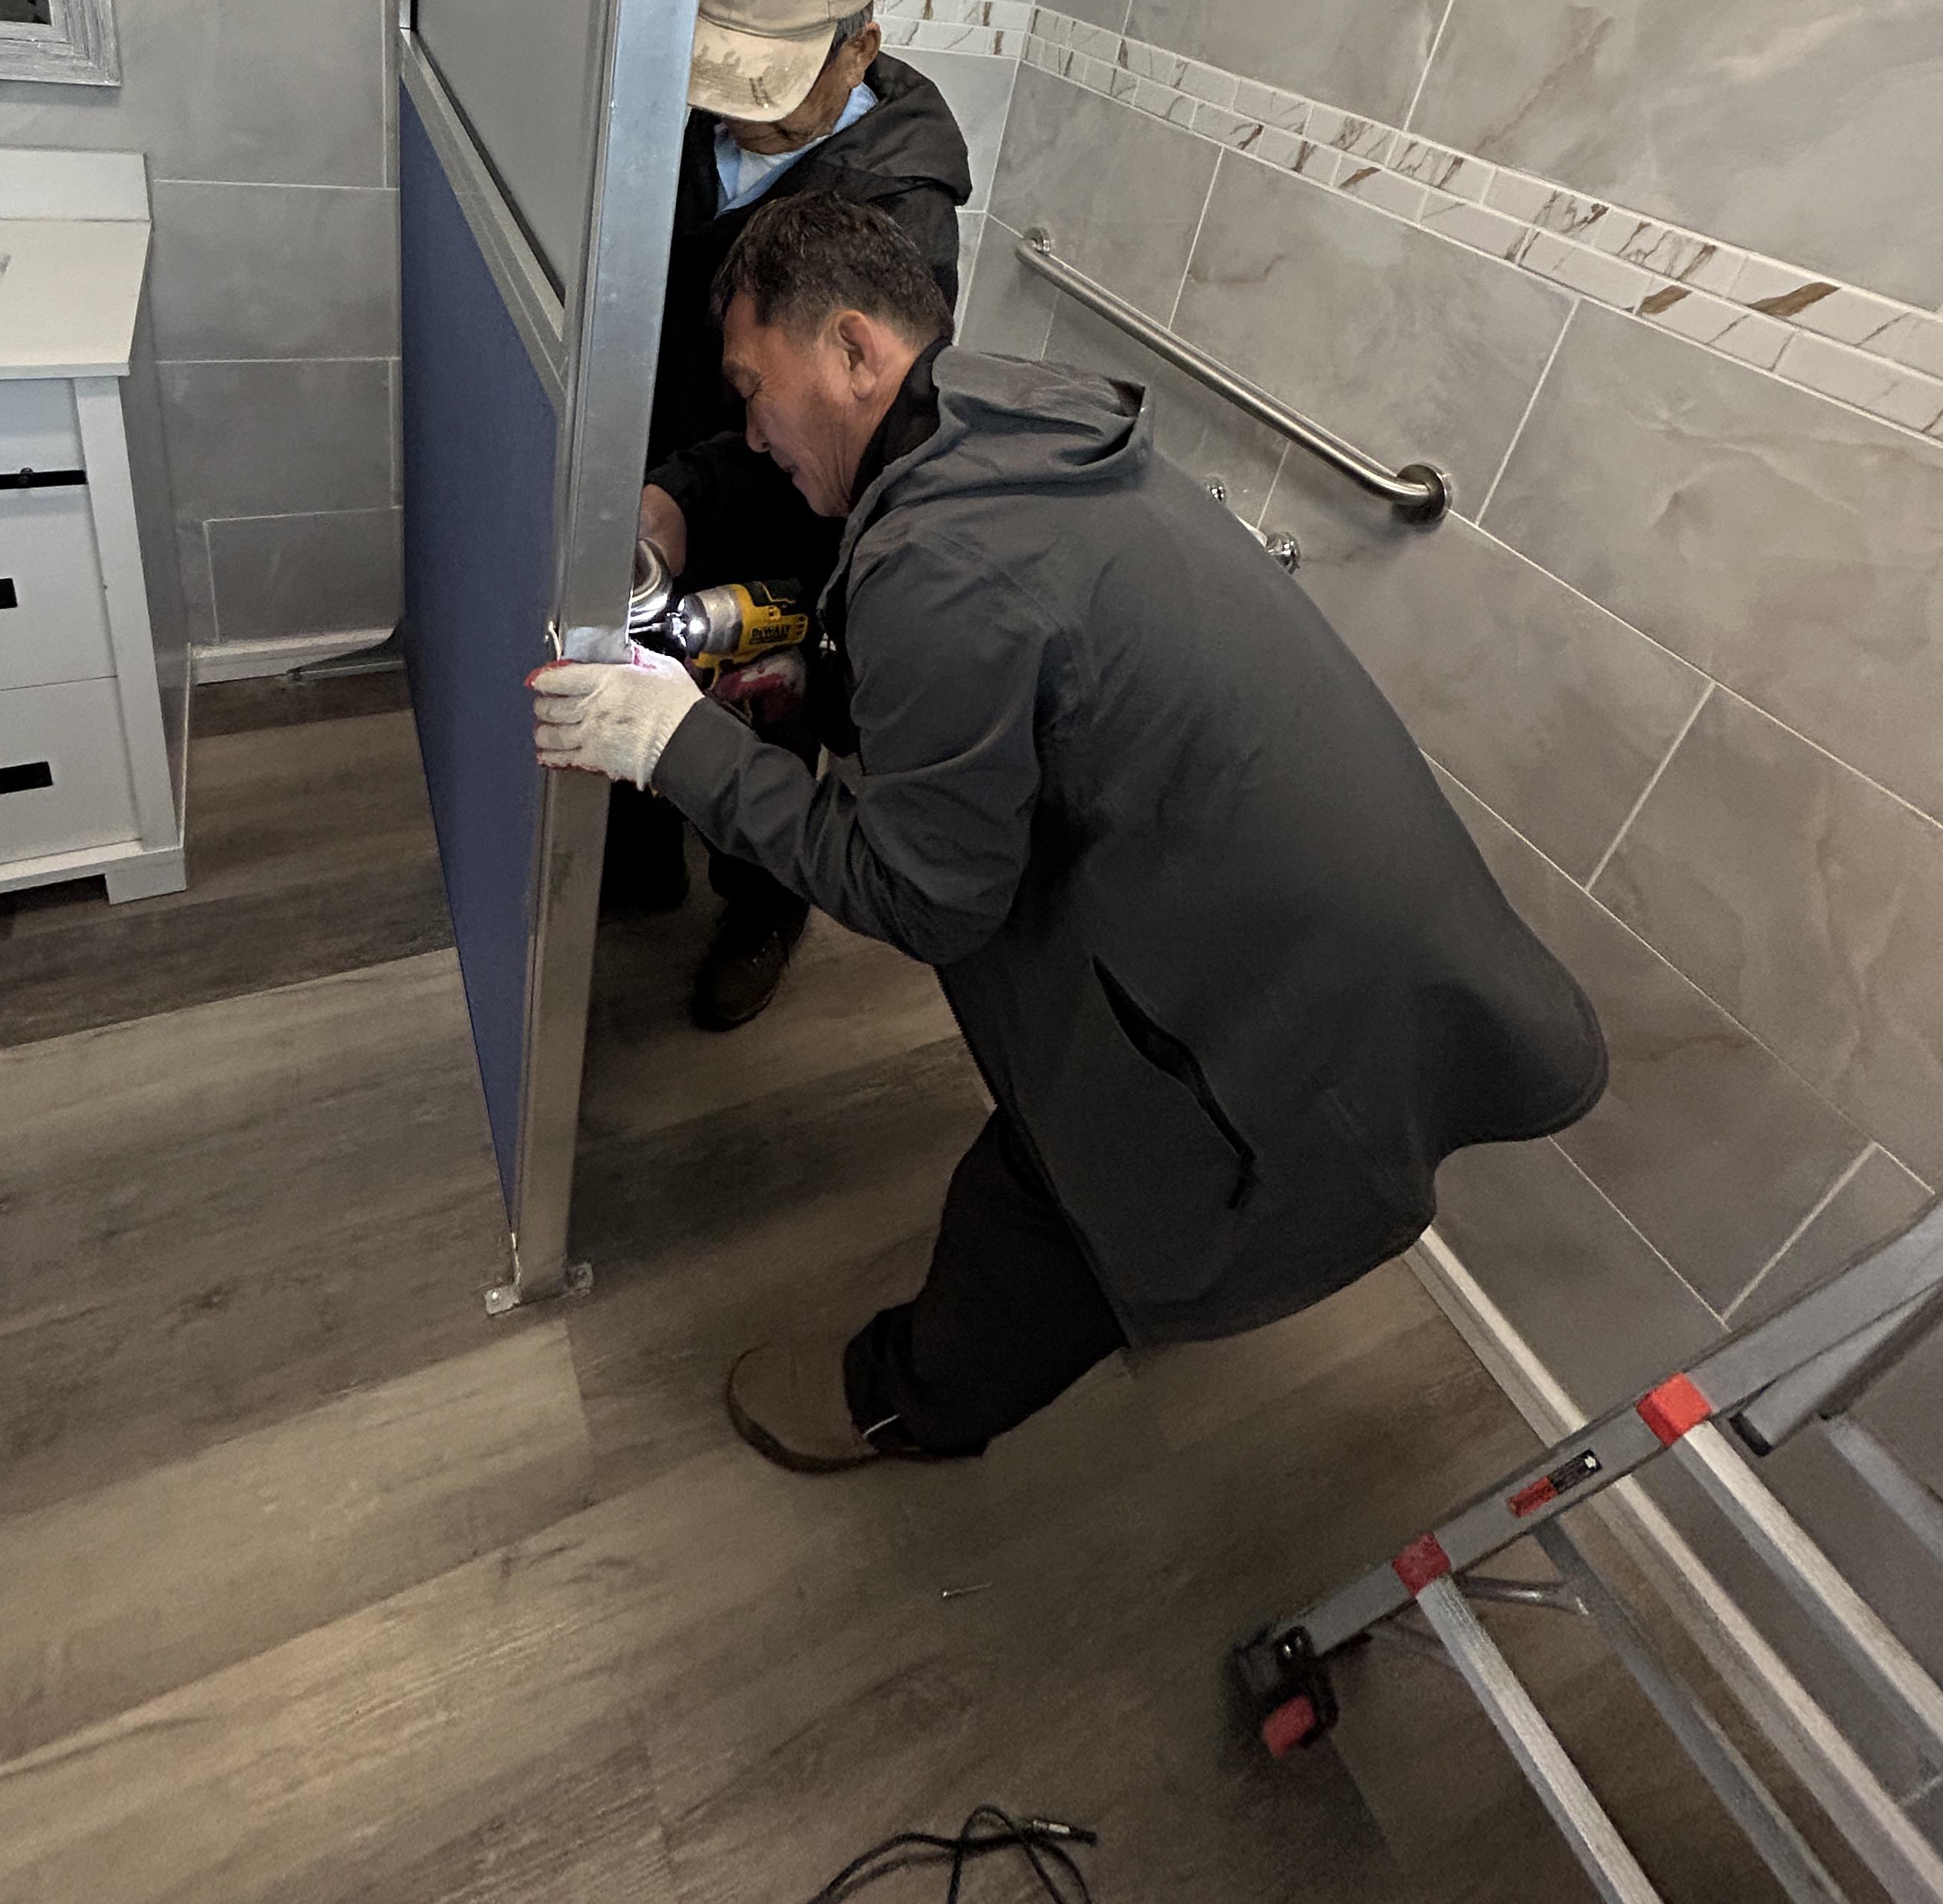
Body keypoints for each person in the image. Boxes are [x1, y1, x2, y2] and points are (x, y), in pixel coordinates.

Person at [533, 192, 1607, 1474]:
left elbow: (927, 898)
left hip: (1270, 974)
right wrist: (804, 681)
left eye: (755, 391)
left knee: (1077, 1182)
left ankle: (902, 1405)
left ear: (857, 350)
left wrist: (675, 745)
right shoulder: (1022, 429)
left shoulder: (941, 559)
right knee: (1133, 1162)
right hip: (1339, 891)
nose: (752, 434)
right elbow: (1014, 687)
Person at [612, 0, 972, 1035]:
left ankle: (762, 905)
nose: (738, 111)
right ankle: (639, 852)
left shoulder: (899, 212)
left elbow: (843, 450)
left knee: (768, 702)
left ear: (859, 50)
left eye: (768, 84)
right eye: (721, 73)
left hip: (787, 492)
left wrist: (692, 488)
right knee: (638, 656)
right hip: (668, 443)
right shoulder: (689, 123)